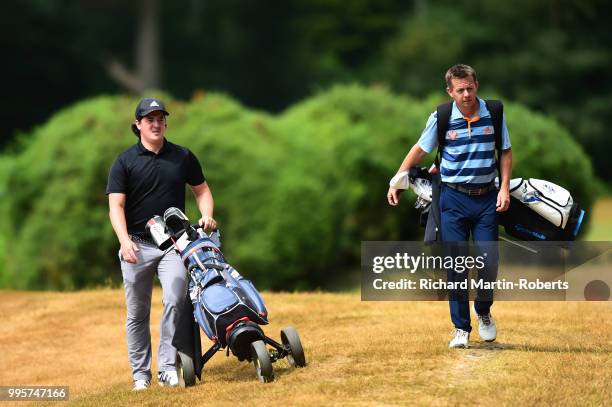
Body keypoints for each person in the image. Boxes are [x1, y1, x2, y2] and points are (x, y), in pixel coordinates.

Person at [387, 64, 512, 348]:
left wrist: (504, 188)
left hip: (486, 199)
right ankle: (461, 329)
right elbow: (420, 149)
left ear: (476, 85)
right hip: (452, 199)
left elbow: (505, 150)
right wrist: (397, 179)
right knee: (455, 265)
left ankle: (483, 310)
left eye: (470, 88)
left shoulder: (494, 113)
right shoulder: (442, 117)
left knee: (489, 262)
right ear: (450, 92)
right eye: (460, 90)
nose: (466, 94)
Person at [106, 97, 217, 390]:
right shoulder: (124, 161)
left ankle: (167, 368)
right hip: (136, 246)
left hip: (173, 245)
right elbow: (115, 206)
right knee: (137, 313)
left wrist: (206, 215)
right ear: (138, 125)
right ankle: (140, 375)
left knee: (174, 300)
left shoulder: (182, 156)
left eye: (160, 119)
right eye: (149, 119)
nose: (156, 124)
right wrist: (124, 241)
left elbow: (202, 190)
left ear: (165, 123)